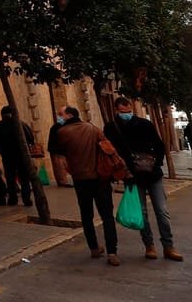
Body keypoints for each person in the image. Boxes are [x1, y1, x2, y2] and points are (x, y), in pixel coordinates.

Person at [105, 98, 183, 261]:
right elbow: (111, 154)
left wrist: (156, 162)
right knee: (142, 213)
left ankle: (168, 246)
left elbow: (159, 145)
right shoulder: (111, 128)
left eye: (128, 111)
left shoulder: (144, 124)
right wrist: (121, 173)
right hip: (131, 176)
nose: (126, 114)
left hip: (152, 174)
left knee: (162, 211)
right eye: (123, 112)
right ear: (116, 111)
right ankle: (149, 246)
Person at [52, 106, 121, 266]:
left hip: (80, 179)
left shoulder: (62, 133)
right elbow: (108, 148)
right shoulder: (92, 129)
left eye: (61, 114)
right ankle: (112, 252)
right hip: (100, 178)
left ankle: (94, 248)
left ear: (69, 116)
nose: (58, 117)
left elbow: (58, 152)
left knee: (86, 215)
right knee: (107, 216)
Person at [0, 106, 35, 207]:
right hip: (21, 155)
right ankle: (26, 199)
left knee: (10, 177)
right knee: (24, 178)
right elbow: (30, 138)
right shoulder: (21, 124)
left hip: (7, 155)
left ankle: (12, 199)